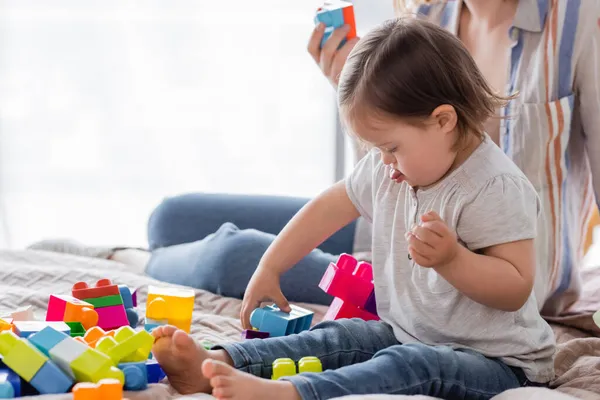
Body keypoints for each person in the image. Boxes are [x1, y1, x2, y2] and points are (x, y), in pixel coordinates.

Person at [30, 0, 600, 316]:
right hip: (389, 225)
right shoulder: (427, 14)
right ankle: (135, 250)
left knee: (239, 258)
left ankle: (128, 264)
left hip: (479, 268)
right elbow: (387, 164)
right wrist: (352, 89)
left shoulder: (580, 23)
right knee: (171, 215)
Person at [149, 18, 556, 400]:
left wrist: (453, 259)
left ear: (444, 120)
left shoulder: (493, 186)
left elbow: (515, 287)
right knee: (340, 336)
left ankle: (292, 393)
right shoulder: (393, 165)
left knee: (408, 365)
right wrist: (270, 266)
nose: (383, 162)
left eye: (391, 148)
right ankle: (218, 361)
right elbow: (330, 206)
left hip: (498, 363)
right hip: (409, 332)